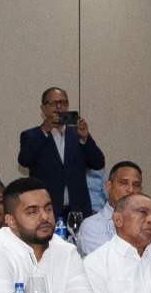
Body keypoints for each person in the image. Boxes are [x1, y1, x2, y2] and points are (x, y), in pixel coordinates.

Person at [19, 87, 104, 219]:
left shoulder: (77, 134)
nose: (59, 107)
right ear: (43, 108)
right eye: (53, 103)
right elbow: (24, 160)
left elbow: (98, 163)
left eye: (63, 103)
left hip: (78, 209)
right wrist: (44, 131)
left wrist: (85, 138)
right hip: (46, 209)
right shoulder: (31, 135)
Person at [77, 162, 151, 257]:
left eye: (136, 184)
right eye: (124, 183)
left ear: (141, 190)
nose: (130, 190)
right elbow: (111, 263)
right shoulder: (93, 225)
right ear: (108, 187)